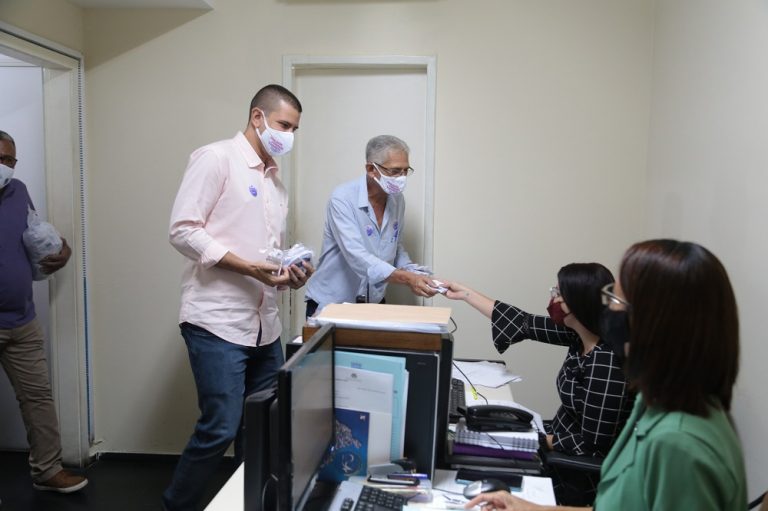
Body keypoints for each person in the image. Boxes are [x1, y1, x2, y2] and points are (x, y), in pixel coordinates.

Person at [465, 239, 747, 511]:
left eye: (617, 300)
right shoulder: (656, 403)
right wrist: (528, 508)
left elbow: (593, 445)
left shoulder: (680, 445)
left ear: (660, 325)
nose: (609, 309)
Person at [164, 85, 312, 511]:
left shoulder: (276, 182)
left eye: (295, 128)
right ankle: (175, 506)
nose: (289, 135)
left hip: (264, 324)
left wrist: (289, 275)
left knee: (262, 429)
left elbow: (265, 256)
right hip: (216, 322)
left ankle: (249, 505)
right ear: (257, 118)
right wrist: (247, 267)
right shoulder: (215, 159)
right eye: (284, 125)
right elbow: (183, 230)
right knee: (220, 427)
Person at [443, 263, 632, 505]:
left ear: (577, 304)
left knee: (482, 460)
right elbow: (523, 323)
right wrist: (465, 294)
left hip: (575, 473)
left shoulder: (605, 362)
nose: (553, 298)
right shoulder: (579, 336)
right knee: (475, 438)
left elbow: (593, 443)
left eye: (559, 294)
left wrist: (538, 440)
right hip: (556, 440)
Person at [0, 130, 87, 493]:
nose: (3, 166)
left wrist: (62, 250)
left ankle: (47, 470)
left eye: (9, 160)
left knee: (38, 399)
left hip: (21, 319)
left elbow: (35, 233)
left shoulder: (17, 191)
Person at [304, 135, 437, 318]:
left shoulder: (397, 200)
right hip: (333, 304)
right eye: (395, 171)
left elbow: (394, 247)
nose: (402, 177)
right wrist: (407, 279)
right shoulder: (342, 199)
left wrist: (412, 271)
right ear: (371, 169)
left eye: (406, 171)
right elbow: (357, 256)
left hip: (372, 302)